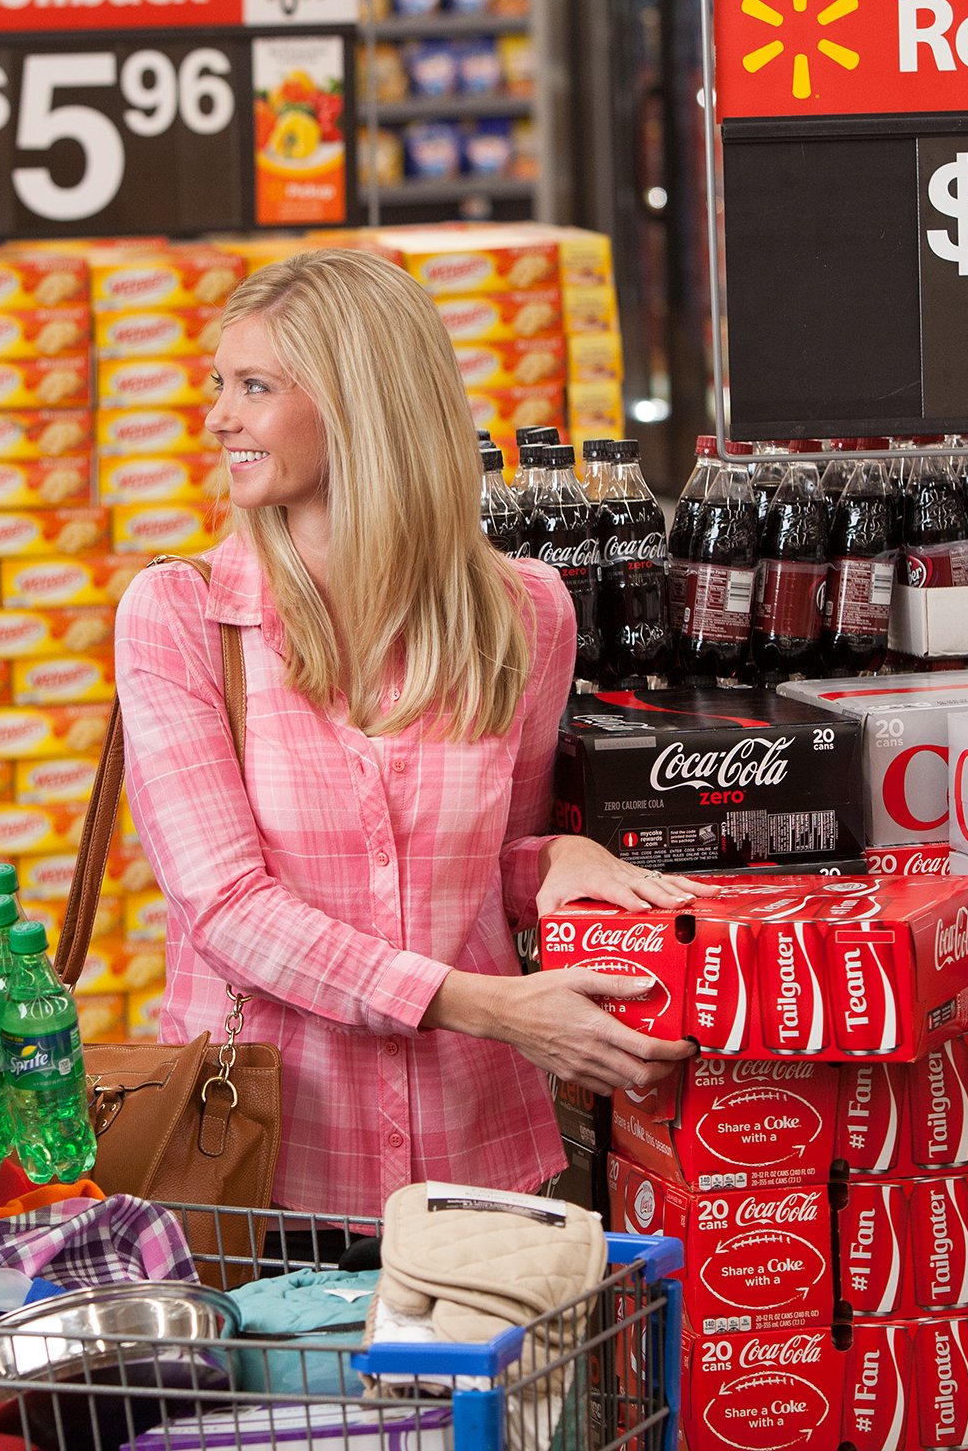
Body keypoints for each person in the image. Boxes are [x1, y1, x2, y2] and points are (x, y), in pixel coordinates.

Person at [115, 247, 696, 1219]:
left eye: (254, 387)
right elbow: (223, 908)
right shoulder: (184, 616)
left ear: (359, 404)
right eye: (222, 386)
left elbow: (483, 865)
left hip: (483, 1165)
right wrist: (490, 1008)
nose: (220, 418)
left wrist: (557, 856)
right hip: (264, 1168)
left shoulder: (526, 613)